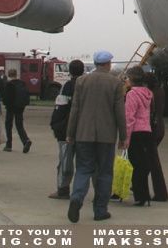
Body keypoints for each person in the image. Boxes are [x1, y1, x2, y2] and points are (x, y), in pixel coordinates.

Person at [66, 50, 127, 223]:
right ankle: (100, 210)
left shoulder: (82, 81)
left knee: (83, 169)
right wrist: (123, 136)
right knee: (105, 173)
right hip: (106, 136)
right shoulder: (115, 83)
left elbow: (75, 109)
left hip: (83, 134)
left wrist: (70, 133)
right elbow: (120, 113)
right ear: (108, 64)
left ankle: (76, 199)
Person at [48, 59, 85, 199]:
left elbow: (60, 107)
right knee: (85, 163)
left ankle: (63, 189)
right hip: (84, 130)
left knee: (65, 161)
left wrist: (55, 125)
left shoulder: (68, 86)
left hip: (66, 130)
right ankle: (82, 190)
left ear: (70, 71)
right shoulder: (87, 85)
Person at [123, 66, 155, 207]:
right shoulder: (148, 93)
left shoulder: (131, 95)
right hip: (146, 131)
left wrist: (126, 138)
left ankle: (139, 195)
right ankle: (145, 194)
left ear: (132, 79)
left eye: (127, 78)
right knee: (144, 164)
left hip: (135, 132)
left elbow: (129, 117)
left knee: (135, 165)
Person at [144, 71, 168, 202]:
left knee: (152, 162)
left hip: (152, 128)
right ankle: (138, 183)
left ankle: (160, 193)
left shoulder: (149, 94)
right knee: (150, 160)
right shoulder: (160, 91)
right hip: (160, 127)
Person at [3, 68, 32, 153]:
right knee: (19, 125)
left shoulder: (9, 84)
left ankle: (9, 144)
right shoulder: (22, 83)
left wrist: (6, 104)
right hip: (20, 107)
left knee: (8, 125)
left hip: (11, 107)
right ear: (16, 74)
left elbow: (6, 98)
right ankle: (25, 140)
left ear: (9, 75)